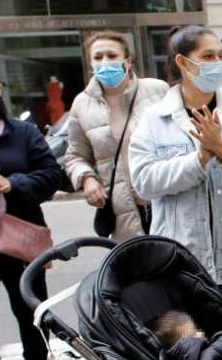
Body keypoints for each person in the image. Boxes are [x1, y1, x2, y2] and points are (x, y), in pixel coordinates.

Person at [129, 25, 222, 319]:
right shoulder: (154, 118)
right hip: (180, 262)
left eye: (219, 56)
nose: (216, 63)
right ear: (183, 62)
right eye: (207, 56)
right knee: (190, 350)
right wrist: (198, 160)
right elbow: (144, 182)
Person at [0, 66, 64, 360]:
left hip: (21, 236)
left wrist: (12, 183)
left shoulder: (25, 132)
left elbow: (51, 175)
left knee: (30, 309)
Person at [65, 31, 167, 240]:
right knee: (137, 267)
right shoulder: (82, 104)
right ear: (90, 64)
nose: (105, 62)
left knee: (176, 267)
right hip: (124, 209)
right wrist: (87, 179)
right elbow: (75, 156)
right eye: (98, 57)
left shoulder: (158, 90)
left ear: (127, 61)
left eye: (112, 56)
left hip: (166, 200)